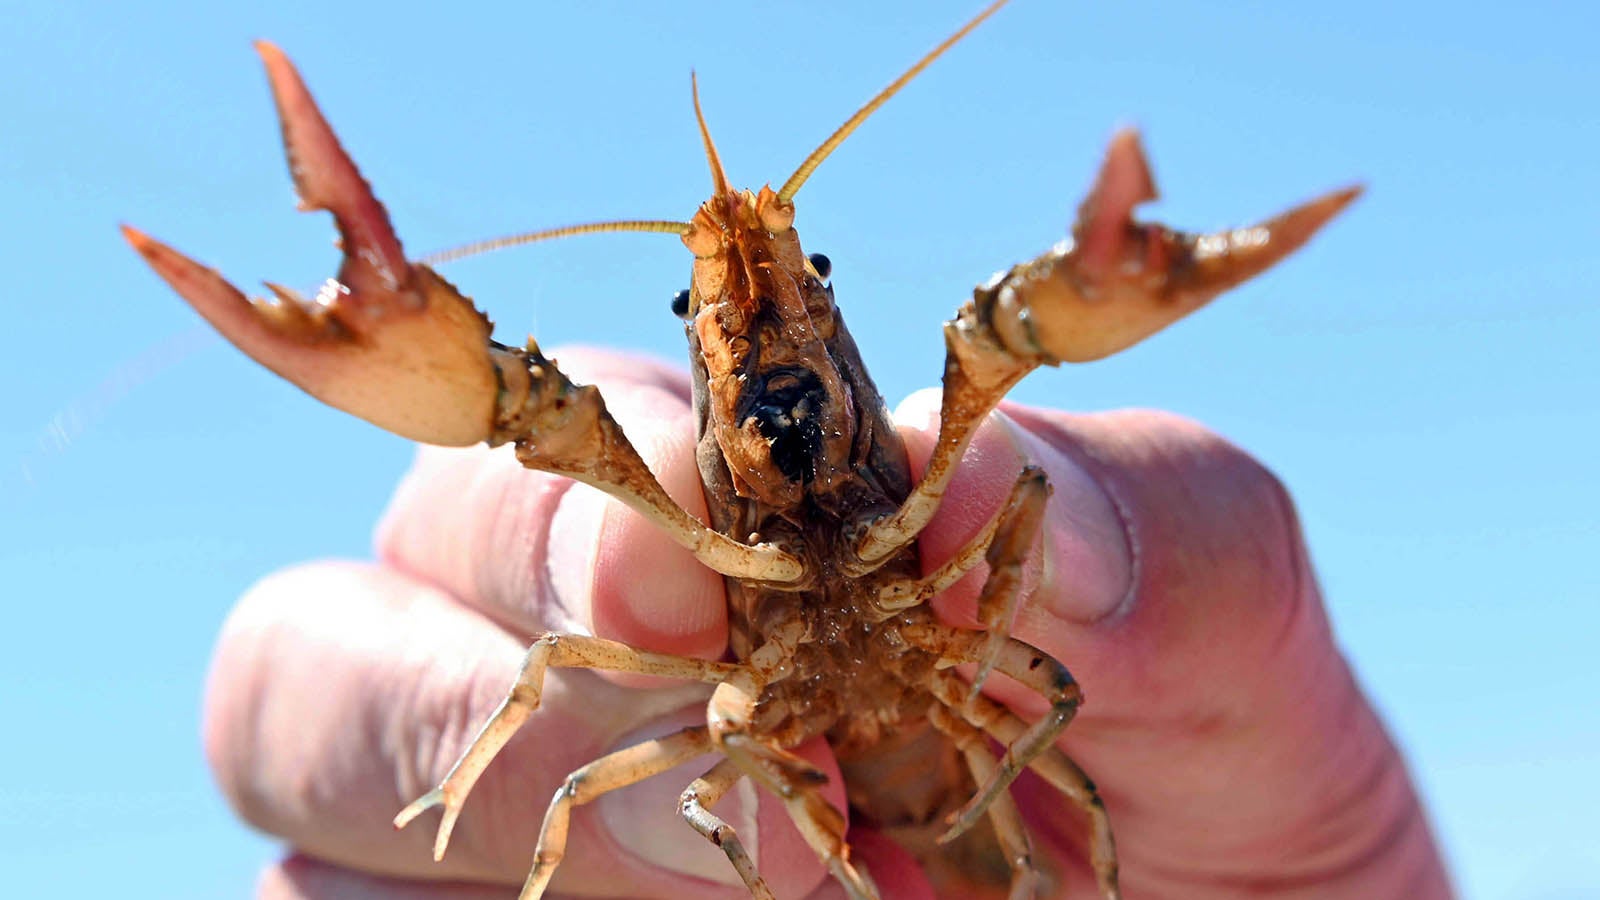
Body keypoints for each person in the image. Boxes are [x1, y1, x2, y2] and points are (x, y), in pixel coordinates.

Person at [203, 348, 1454, 899]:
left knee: (1018, 481)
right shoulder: (671, 524)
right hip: (838, 753)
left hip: (988, 791)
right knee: (578, 701)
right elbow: (555, 681)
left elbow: (1022, 488)